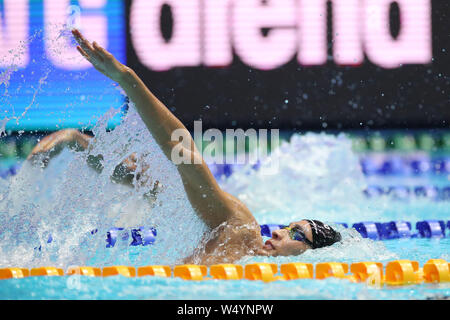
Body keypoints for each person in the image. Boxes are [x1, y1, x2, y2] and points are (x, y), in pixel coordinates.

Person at [28, 29, 341, 265]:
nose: (278, 232)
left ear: (311, 256)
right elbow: (186, 157)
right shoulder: (242, 230)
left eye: (296, 235)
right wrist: (128, 80)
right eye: (288, 227)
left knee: (156, 187)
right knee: (156, 185)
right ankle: (78, 143)